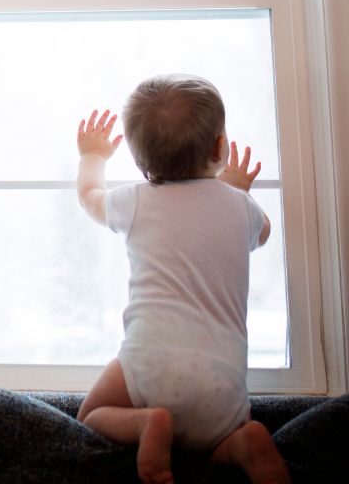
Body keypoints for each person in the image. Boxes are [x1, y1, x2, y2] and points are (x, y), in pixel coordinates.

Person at [75, 74, 291, 484]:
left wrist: (94, 157)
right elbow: (261, 234)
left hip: (148, 369)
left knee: (91, 415)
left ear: (140, 162)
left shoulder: (135, 201)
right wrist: (239, 191)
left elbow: (89, 197)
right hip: (222, 389)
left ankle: (146, 424)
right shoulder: (241, 208)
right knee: (219, 446)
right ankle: (244, 442)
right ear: (221, 148)